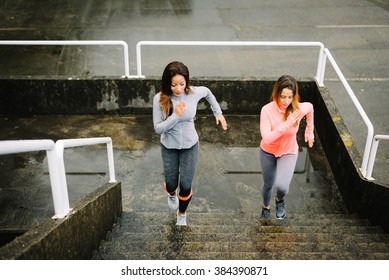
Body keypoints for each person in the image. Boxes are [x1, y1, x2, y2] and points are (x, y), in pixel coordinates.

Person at [153, 61, 228, 226]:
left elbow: (207, 92)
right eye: (174, 85)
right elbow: (158, 129)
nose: (178, 88)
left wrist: (218, 113)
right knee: (172, 183)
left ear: (186, 81)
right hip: (169, 147)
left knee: (186, 185)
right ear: (167, 83)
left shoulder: (193, 92)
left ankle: (182, 213)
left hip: (190, 145)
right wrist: (175, 116)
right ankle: (171, 193)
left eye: (182, 83)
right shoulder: (159, 99)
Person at [259, 75, 314, 219]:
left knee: (282, 186)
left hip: (289, 151)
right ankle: (265, 207)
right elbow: (267, 138)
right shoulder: (267, 110)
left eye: (290, 97)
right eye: (283, 97)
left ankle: (279, 200)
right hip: (268, 151)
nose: (286, 101)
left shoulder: (297, 108)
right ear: (277, 94)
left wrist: (309, 130)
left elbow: (310, 108)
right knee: (268, 184)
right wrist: (288, 123)